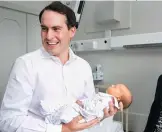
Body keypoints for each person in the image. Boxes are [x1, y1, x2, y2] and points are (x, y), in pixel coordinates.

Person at [0, 1, 120, 132]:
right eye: (44, 29)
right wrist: (62, 129)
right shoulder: (25, 65)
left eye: (56, 29)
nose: (49, 36)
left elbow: (87, 111)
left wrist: (101, 115)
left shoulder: (84, 67)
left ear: (72, 31)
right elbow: (8, 121)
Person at [40, 84, 132, 125]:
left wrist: (83, 105)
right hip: (82, 109)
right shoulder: (106, 99)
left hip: (83, 113)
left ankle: (50, 118)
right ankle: (49, 114)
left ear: (118, 97)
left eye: (115, 87)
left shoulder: (108, 101)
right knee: (64, 109)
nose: (112, 85)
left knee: (65, 113)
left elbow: (95, 109)